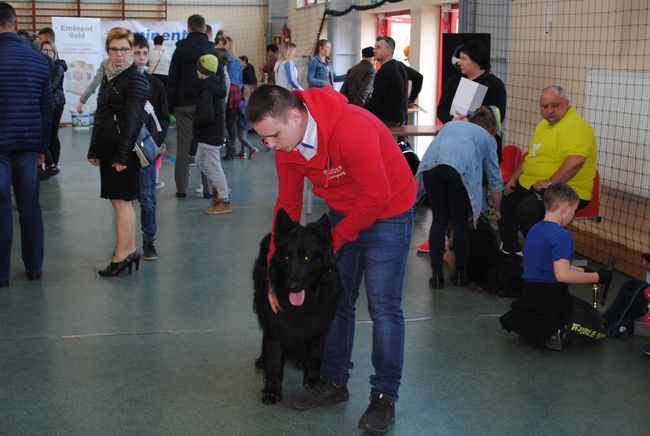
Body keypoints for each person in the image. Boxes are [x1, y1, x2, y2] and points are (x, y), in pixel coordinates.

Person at [246, 85, 417, 434]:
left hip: (389, 211)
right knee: (338, 302)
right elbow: (288, 208)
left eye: (274, 136)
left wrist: (334, 242)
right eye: (264, 140)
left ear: (294, 116)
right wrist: (270, 271)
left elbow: (377, 195)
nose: (271, 145)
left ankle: (384, 397)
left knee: (384, 308)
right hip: (344, 212)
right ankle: (333, 381)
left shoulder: (351, 128)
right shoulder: (287, 147)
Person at [500, 183, 611, 350]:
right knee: (600, 329)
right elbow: (562, 275)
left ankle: (536, 325)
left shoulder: (534, 229)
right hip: (552, 300)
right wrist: (598, 277)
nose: (573, 216)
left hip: (529, 297)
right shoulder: (562, 235)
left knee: (585, 310)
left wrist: (583, 271)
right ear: (566, 207)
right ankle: (557, 328)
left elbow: (547, 265)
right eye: (574, 211)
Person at [498, 86, 597, 255]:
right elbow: (531, 157)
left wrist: (550, 184)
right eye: (545, 107)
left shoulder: (576, 126)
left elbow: (576, 161)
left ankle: (542, 257)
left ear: (566, 104)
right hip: (533, 185)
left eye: (555, 105)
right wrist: (514, 178)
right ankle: (512, 252)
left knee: (527, 211)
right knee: (505, 202)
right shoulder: (543, 126)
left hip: (567, 191)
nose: (550, 111)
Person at [416, 107, 504, 289]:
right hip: (457, 171)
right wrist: (496, 209)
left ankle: (437, 275)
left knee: (439, 220)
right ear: (492, 129)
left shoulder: (450, 125)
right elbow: (495, 180)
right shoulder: (488, 138)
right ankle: (459, 275)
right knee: (460, 222)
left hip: (430, 169)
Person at [87, 27, 148, 276]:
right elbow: (101, 113)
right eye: (114, 49)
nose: (120, 54)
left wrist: (122, 155)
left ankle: (122, 254)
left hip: (124, 150)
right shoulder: (109, 75)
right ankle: (129, 249)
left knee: (123, 202)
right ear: (108, 50)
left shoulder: (135, 78)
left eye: (125, 49)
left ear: (131, 50)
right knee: (118, 202)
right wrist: (94, 148)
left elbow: (134, 120)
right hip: (108, 147)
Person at [0, 2, 53, 287]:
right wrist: (42, 148)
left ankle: (1, 274)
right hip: (28, 147)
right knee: (30, 206)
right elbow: (48, 108)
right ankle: (34, 268)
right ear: (16, 23)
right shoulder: (37, 60)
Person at [167, 14, 217, 197]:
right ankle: (208, 189)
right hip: (205, 104)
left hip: (183, 105)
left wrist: (170, 107)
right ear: (205, 29)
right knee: (205, 147)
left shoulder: (179, 51)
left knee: (183, 148)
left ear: (188, 29)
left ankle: (181, 189)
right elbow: (217, 79)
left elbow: (172, 80)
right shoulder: (212, 50)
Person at [436, 39, 506, 159]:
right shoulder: (455, 80)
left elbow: (497, 116)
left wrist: (469, 119)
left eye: (463, 59)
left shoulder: (494, 84)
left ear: (476, 61)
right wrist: (453, 120)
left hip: (482, 147)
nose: (459, 62)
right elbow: (441, 109)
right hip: (456, 142)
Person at [133, 33, 169, 260]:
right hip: (123, 150)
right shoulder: (118, 83)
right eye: (137, 53)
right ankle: (124, 243)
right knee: (123, 201)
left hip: (146, 151)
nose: (141, 57)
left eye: (145, 53)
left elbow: (164, 116)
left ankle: (149, 242)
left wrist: (156, 140)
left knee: (147, 198)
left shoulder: (156, 85)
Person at [194, 54, 231, 214]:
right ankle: (220, 186)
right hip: (210, 134)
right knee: (199, 160)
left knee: (214, 167)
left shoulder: (207, 91)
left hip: (209, 134)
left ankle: (223, 199)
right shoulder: (215, 84)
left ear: (201, 71)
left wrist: (196, 124)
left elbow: (206, 115)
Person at [363, 36, 408, 127]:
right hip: (401, 118)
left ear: (388, 51)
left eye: (378, 47)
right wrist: (410, 99)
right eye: (375, 47)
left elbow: (375, 103)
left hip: (388, 120)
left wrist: (359, 109)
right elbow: (418, 78)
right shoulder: (399, 65)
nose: (374, 50)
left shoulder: (383, 72)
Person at [40, 40, 67, 178]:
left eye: (50, 50)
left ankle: (54, 164)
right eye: (44, 50)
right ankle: (47, 163)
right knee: (46, 134)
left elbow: (54, 85)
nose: (47, 53)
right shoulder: (40, 65)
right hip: (45, 103)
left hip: (56, 103)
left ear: (54, 52)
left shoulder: (59, 66)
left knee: (52, 134)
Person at [223, 36, 243, 161]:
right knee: (233, 121)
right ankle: (232, 147)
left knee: (224, 120)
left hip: (229, 89)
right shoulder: (237, 59)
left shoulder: (227, 58)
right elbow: (240, 79)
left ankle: (229, 147)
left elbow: (226, 77)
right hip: (237, 91)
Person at [236, 85, 258, 159]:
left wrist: (238, 109)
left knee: (241, 138)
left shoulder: (243, 102)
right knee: (243, 137)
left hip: (243, 123)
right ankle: (242, 152)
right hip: (247, 123)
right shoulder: (249, 101)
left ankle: (252, 149)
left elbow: (243, 113)